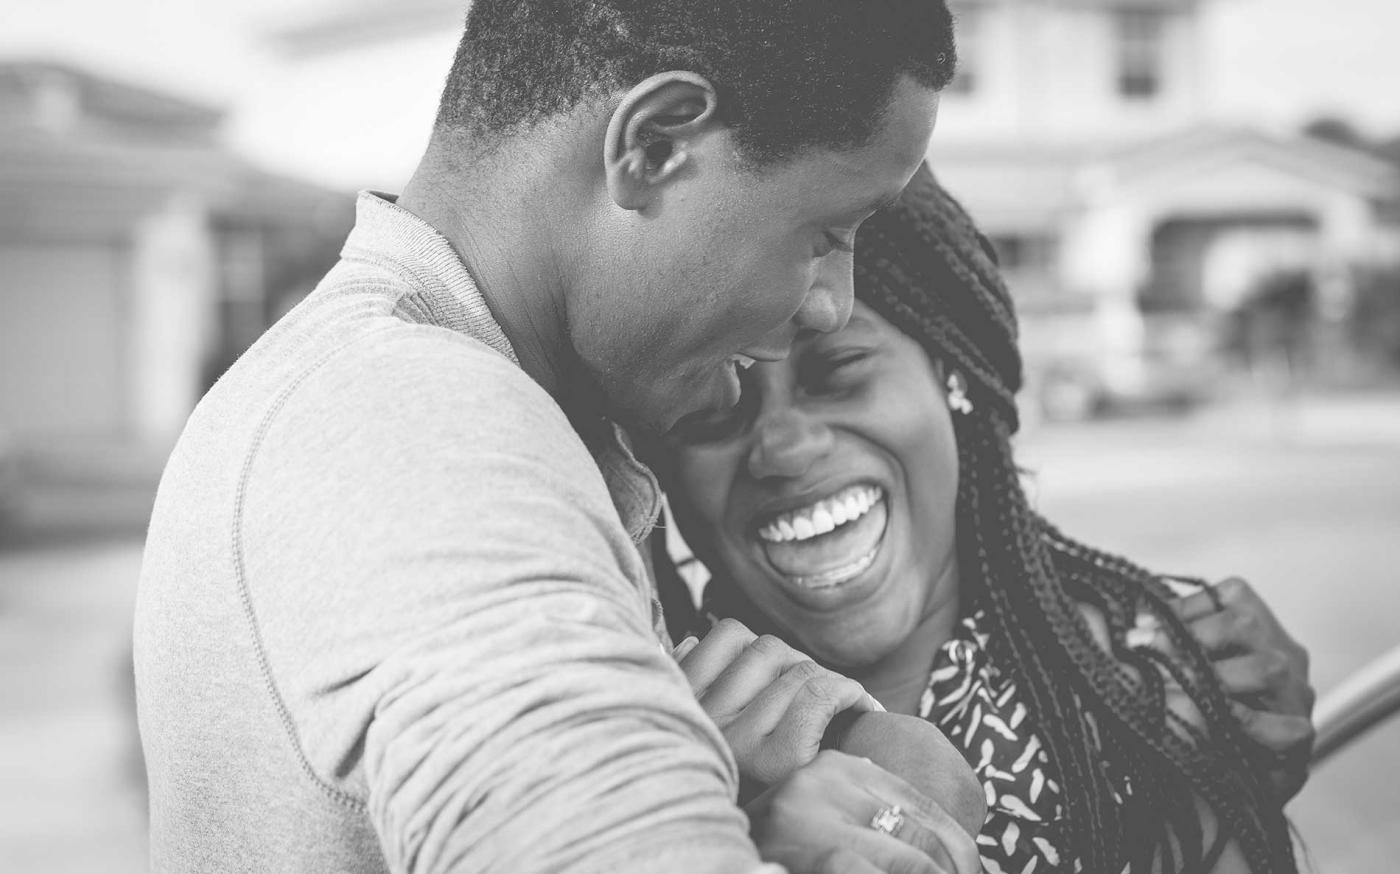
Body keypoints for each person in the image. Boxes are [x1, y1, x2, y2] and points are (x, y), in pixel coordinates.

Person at [133, 2, 973, 873]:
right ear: (654, 146)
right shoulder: (420, 435)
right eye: (825, 235)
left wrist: (881, 759)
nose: (831, 302)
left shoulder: (398, 393)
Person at [648, 165, 1316, 873]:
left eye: (840, 370)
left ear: (954, 377)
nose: (783, 446)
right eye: (716, 403)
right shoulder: (641, 733)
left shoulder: (1139, 701)